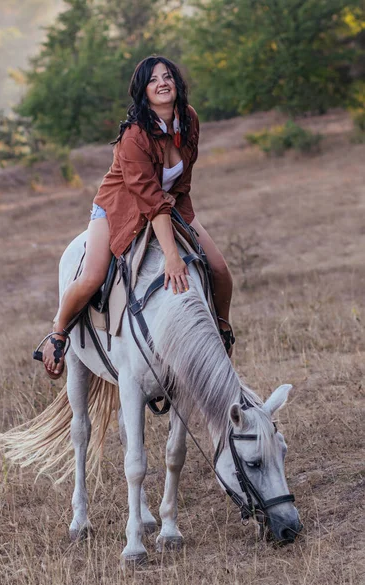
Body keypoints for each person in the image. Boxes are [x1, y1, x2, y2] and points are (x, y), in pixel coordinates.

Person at [41, 55, 234, 379]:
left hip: (171, 204)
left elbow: (179, 182)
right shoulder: (134, 136)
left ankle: (220, 330)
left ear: (177, 83)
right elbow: (148, 198)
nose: (162, 82)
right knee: (92, 277)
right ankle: (58, 333)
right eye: (154, 79)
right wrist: (172, 258)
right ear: (143, 91)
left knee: (219, 269)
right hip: (119, 206)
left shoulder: (189, 119)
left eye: (167, 76)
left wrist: (177, 210)